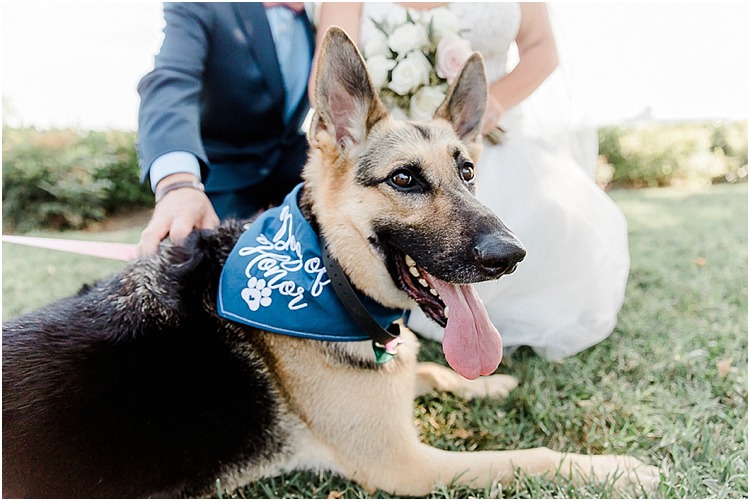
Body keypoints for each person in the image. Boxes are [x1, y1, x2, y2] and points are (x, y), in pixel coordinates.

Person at [312, 3, 631, 361]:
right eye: (405, 179)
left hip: (492, 133)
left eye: (466, 172)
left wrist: (492, 105)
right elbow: (330, 75)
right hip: (377, 137)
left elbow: (542, 48)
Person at [136, 2, 315, 255]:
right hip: (220, 177)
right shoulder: (205, 6)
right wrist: (178, 184)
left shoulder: (325, 10)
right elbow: (171, 84)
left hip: (292, 168)